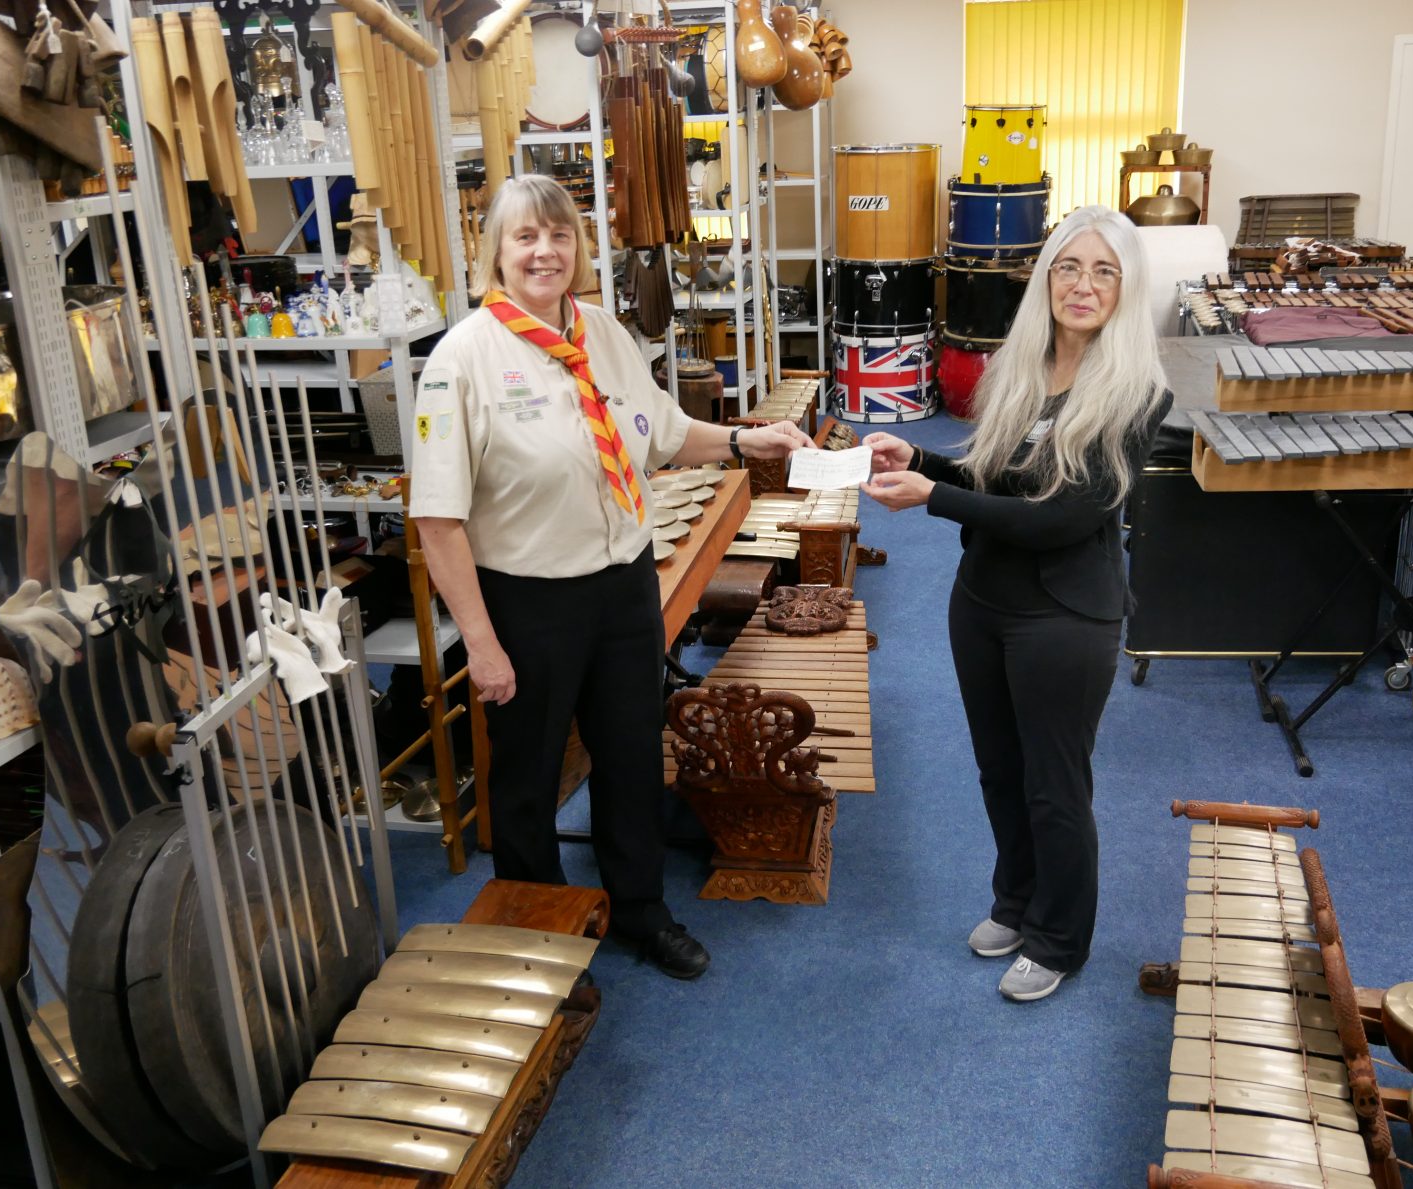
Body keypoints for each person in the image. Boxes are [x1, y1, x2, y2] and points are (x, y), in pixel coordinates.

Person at [409, 175, 810, 978]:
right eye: (524, 237)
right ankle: (539, 931)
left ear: (579, 248)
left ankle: (640, 909)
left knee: (630, 753)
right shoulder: (462, 360)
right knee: (526, 776)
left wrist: (742, 442)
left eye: (558, 235)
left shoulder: (605, 333)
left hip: (623, 582)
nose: (543, 251)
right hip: (527, 601)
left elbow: (659, 434)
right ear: (496, 252)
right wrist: (482, 648)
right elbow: (438, 521)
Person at [860, 206, 1172, 1002]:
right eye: (1070, 266)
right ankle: (1017, 901)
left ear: (1125, 290)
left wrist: (932, 497)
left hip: (1064, 617)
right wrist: (923, 457)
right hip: (985, 600)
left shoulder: (1137, 394)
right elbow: (1001, 480)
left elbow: (1063, 516)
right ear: (1046, 278)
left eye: (1105, 271)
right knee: (1000, 771)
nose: (1084, 285)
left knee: (1053, 783)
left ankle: (1060, 938)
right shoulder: (1020, 367)